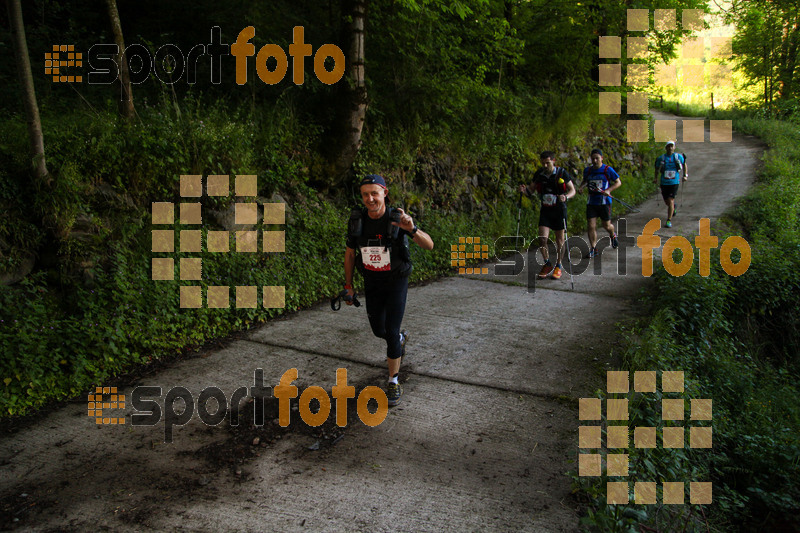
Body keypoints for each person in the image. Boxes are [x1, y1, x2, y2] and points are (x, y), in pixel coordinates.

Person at [344, 174, 434, 407]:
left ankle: (393, 380)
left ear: (385, 192)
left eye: (375, 193)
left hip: (396, 281)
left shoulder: (397, 219)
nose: (370, 198)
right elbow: (351, 254)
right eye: (365, 194)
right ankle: (400, 339)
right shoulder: (357, 220)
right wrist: (349, 286)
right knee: (379, 330)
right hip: (372, 282)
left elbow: (429, 244)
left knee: (391, 330)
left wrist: (412, 228)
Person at [519, 151, 576, 280]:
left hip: (559, 210)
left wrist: (565, 197)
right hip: (545, 210)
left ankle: (559, 266)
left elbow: (572, 190)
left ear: (554, 161)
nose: (545, 165)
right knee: (542, 239)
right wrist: (524, 191)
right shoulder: (539, 174)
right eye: (543, 162)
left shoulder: (562, 173)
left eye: (548, 162)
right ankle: (547, 263)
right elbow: (530, 190)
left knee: (559, 240)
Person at [578, 148, 621, 258]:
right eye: (593, 159)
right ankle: (593, 248)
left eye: (597, 158)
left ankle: (612, 235)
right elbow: (586, 181)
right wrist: (581, 187)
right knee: (591, 225)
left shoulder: (607, 170)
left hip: (604, 202)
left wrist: (609, 190)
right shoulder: (588, 170)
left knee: (606, 225)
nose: (595, 161)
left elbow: (618, 182)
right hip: (591, 202)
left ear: (602, 158)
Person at [654, 140, 688, 228]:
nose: (670, 148)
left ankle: (668, 220)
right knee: (667, 201)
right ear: (666, 148)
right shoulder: (661, 158)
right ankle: (673, 207)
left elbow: (684, 164)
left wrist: (685, 175)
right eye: (668, 146)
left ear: (674, 147)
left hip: (674, 182)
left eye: (672, 146)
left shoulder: (678, 157)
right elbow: (657, 168)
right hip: (664, 182)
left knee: (670, 200)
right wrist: (655, 178)